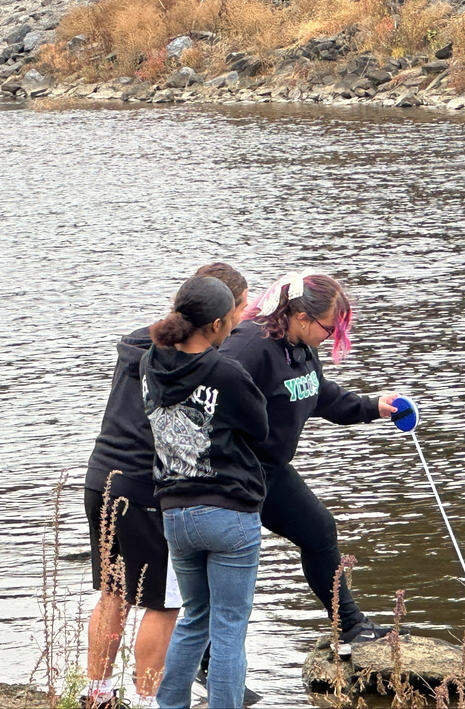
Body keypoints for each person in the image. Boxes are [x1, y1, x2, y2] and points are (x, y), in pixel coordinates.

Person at [83, 263, 248, 709]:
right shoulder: (193, 360)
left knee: (114, 592)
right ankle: (146, 699)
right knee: (164, 602)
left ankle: (96, 695)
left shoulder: (141, 339)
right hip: (145, 487)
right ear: (219, 316)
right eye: (241, 311)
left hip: (101, 476)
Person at [219, 270, 403, 655]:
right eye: (330, 328)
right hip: (235, 471)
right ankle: (206, 656)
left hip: (271, 469)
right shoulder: (249, 347)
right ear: (302, 317)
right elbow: (208, 399)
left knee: (319, 531)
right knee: (229, 569)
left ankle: (350, 626)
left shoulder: (300, 347)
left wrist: (374, 406)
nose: (333, 337)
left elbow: (323, 398)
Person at [141, 276, 269, 709]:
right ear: (215, 324)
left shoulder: (149, 365)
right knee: (230, 627)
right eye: (233, 318)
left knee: (194, 618)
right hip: (229, 511)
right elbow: (260, 429)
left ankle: (170, 706)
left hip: (175, 511)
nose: (237, 324)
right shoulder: (225, 370)